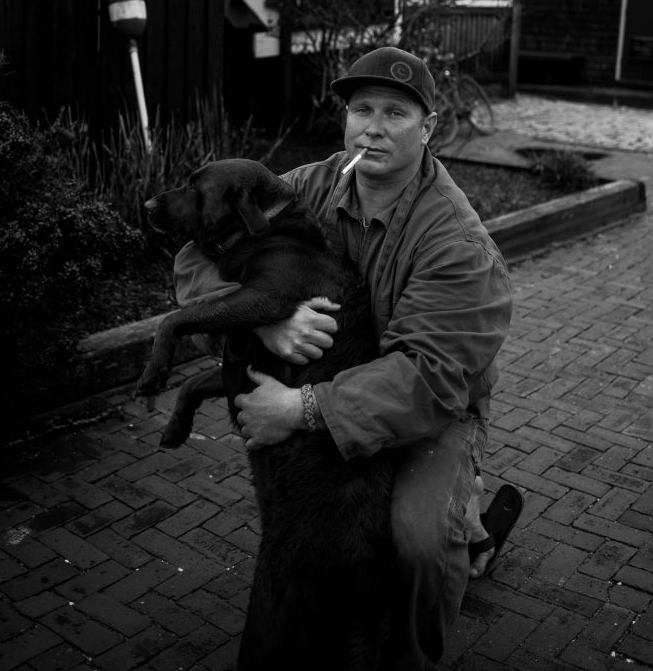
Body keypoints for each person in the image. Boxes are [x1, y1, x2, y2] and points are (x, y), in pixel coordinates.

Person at [174, 46, 518, 670]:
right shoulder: (306, 186)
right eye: (362, 109)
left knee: (414, 541)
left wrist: (302, 407)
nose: (373, 127)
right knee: (300, 526)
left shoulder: (458, 244)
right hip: (341, 391)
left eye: (396, 113)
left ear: (429, 128)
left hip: (429, 411)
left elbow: (430, 377)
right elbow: (197, 257)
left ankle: (414, 647)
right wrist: (270, 319)